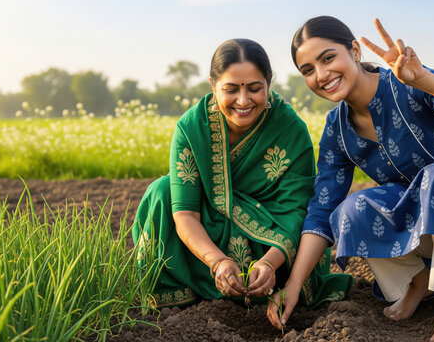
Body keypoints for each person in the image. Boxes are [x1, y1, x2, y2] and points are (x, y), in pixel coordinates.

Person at [267, 16, 434, 342]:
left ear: (355, 51)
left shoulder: (407, 83)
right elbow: (321, 211)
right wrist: (292, 286)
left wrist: (424, 80)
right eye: (308, 70)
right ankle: (417, 281)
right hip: (431, 225)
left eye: (328, 58)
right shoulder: (338, 129)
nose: (321, 75)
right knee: (351, 208)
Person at [133, 38, 352, 310]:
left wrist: (270, 263)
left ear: (269, 82)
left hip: (269, 244)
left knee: (298, 228)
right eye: (231, 89)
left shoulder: (290, 129)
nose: (243, 100)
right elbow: (185, 213)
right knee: (161, 191)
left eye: (254, 88)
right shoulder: (192, 127)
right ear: (213, 85)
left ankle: (265, 285)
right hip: (207, 241)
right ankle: (190, 286)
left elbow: (297, 212)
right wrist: (219, 262)